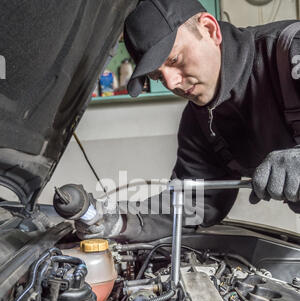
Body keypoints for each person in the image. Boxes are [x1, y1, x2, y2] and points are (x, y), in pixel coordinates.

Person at [75, 0, 300, 243]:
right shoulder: (200, 121)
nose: (171, 83)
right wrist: (119, 221)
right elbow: (193, 202)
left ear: (210, 29)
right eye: (157, 75)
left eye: (174, 60)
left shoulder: (290, 49)